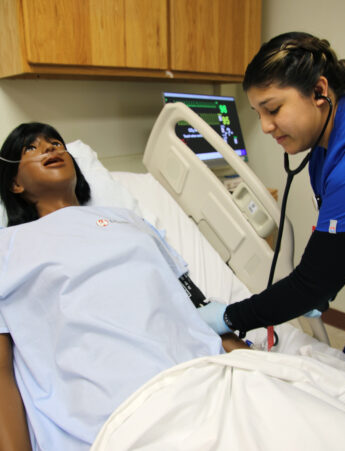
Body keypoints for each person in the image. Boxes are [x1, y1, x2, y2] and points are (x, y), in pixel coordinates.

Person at [0, 122, 248, 450]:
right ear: (15, 184)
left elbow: (196, 307)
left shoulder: (129, 220)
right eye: (30, 148)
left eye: (56, 142)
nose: (50, 148)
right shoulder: (9, 247)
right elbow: (3, 372)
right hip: (111, 411)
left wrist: (253, 364)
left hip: (201, 375)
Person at [198, 31, 345, 364]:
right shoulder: (323, 145)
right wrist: (327, 283)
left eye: (273, 109)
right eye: (258, 113)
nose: (264, 126)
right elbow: (342, 241)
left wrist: (229, 317)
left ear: (319, 91)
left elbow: (309, 284)